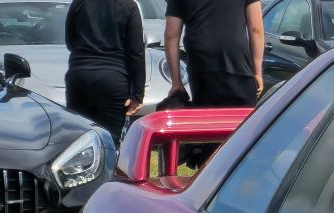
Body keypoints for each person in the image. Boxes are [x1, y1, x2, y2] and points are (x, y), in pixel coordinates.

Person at [64, 0, 145, 143]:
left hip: (80, 74)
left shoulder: (78, 3)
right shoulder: (129, 5)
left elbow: (70, 41)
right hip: (113, 77)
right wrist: (138, 94)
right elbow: (136, 53)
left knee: (77, 140)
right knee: (109, 140)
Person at [164, 0, 264, 107]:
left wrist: (176, 83)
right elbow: (255, 29)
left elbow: (171, 36)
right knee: (244, 120)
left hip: (201, 66)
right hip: (238, 64)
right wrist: (257, 72)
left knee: (208, 120)